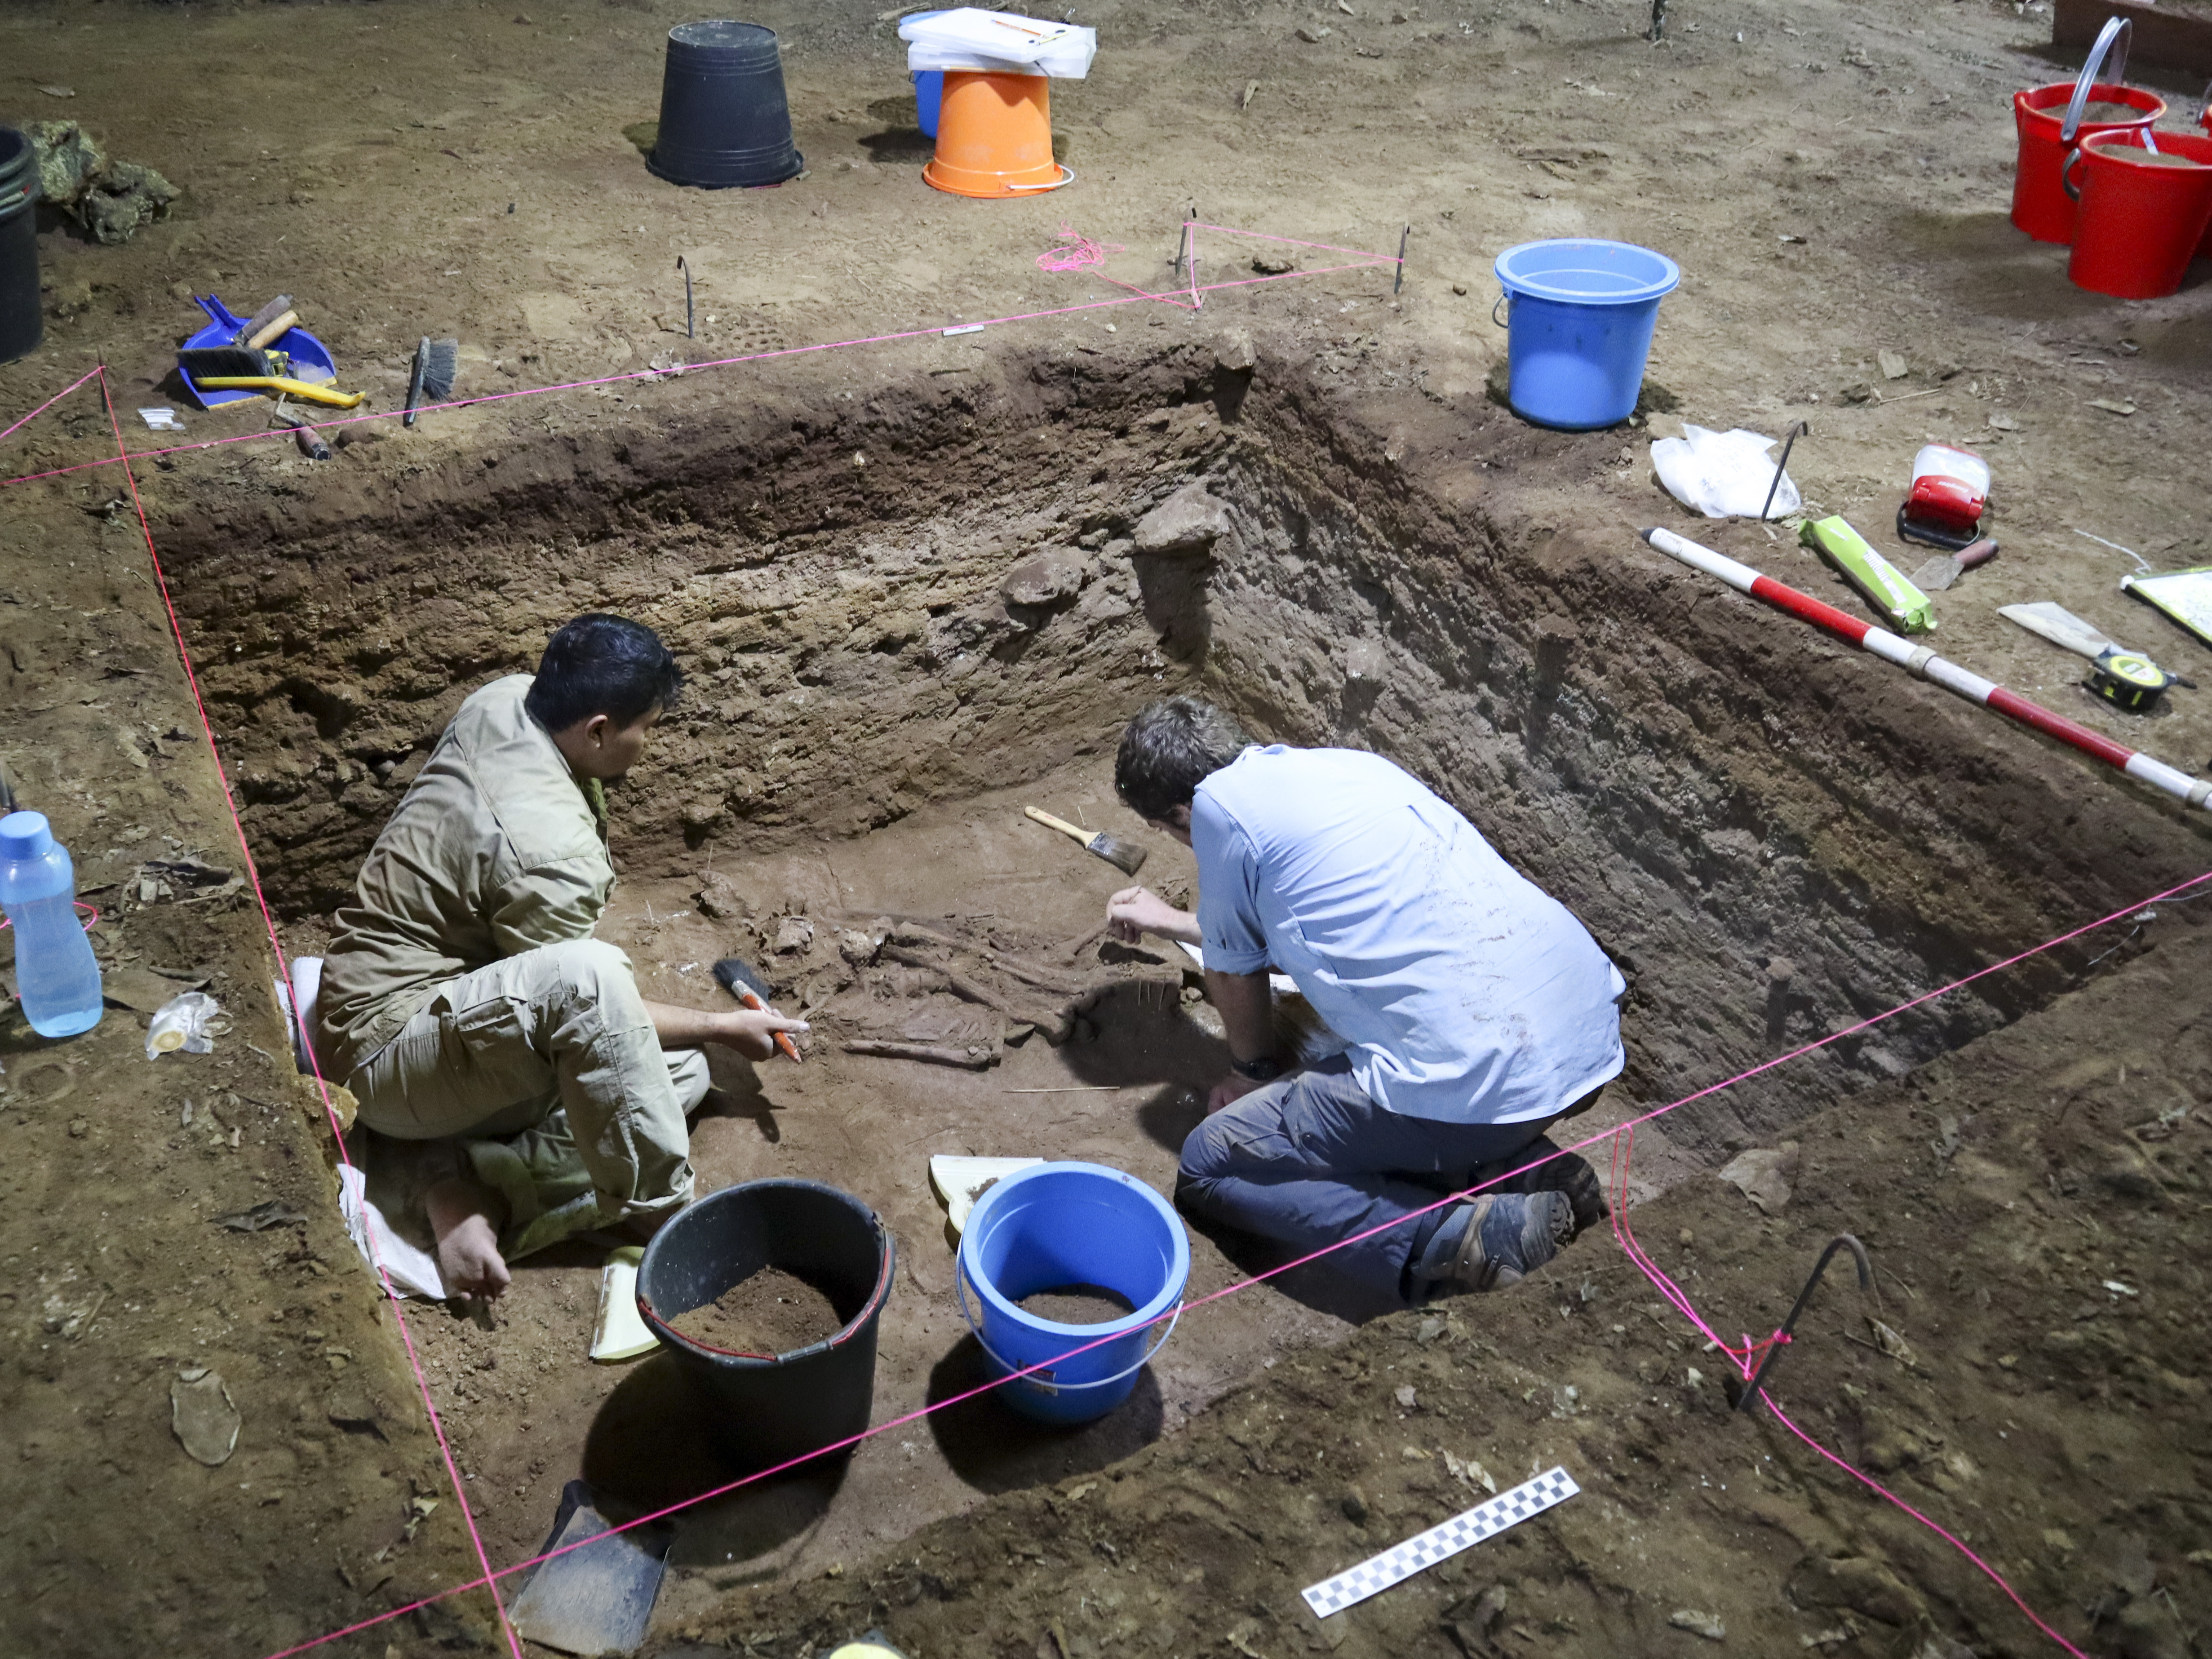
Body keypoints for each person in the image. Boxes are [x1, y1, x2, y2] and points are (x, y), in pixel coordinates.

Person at [316, 615, 806, 1302]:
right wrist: (721, 1025)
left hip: (372, 994)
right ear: (599, 730)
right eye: (647, 729)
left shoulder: (507, 699)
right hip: (383, 1054)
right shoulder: (553, 855)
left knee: (679, 1075)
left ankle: (456, 1182)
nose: (649, 745)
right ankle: (654, 1212)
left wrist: (710, 1037)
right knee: (594, 982)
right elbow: (576, 1003)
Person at [1103, 696, 1624, 1306]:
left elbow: (1234, 971)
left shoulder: (1217, 811)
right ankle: (1526, 1169)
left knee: (1213, 1162)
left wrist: (1251, 1074)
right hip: (1583, 1040)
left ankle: (1464, 1239)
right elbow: (1302, 937)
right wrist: (1174, 922)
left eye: (1169, 831)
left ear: (1180, 813)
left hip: (1486, 1077)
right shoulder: (1344, 770)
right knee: (1366, 1059)